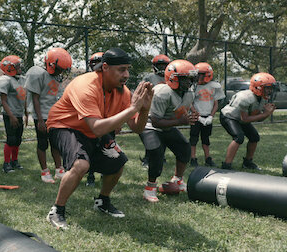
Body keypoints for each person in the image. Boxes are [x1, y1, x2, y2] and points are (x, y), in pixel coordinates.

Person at [45, 48, 153, 230]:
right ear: (105, 67)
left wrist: (144, 110)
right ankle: (57, 210)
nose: (126, 74)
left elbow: (137, 128)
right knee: (81, 165)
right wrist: (134, 109)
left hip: (92, 130)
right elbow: (97, 127)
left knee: (118, 162)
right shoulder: (85, 85)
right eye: (121, 69)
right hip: (64, 126)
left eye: (127, 69)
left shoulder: (123, 91)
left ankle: (102, 201)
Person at [141, 59, 199, 203]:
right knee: (156, 152)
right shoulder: (162, 92)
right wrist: (180, 121)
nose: (189, 82)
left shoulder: (188, 93)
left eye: (191, 78)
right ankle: (150, 188)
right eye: (185, 79)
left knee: (185, 148)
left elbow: (183, 107)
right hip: (149, 126)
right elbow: (155, 121)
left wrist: (193, 113)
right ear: (172, 78)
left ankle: (177, 180)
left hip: (167, 125)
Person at [25, 48, 72, 183]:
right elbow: (35, 98)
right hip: (42, 115)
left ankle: (59, 169)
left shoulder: (55, 76)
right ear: (51, 65)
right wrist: (39, 120)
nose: (61, 72)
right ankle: (45, 171)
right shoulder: (37, 73)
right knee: (42, 143)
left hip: (54, 114)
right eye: (59, 69)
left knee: (56, 143)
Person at [220, 72, 276, 170]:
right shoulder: (245, 97)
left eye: (271, 88)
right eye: (267, 88)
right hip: (229, 116)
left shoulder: (261, 98)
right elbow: (245, 119)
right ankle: (226, 165)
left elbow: (258, 118)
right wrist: (264, 114)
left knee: (254, 137)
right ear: (257, 87)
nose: (270, 91)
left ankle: (248, 162)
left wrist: (267, 114)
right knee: (238, 137)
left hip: (240, 119)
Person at [189, 62, 225, 167]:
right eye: (197, 74)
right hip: (196, 116)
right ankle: (193, 158)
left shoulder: (214, 86)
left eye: (201, 74)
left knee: (206, 138)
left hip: (207, 115)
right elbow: (189, 103)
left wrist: (211, 116)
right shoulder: (192, 87)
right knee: (193, 138)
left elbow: (215, 104)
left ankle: (208, 158)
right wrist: (197, 115)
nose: (199, 77)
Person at [0, 55, 27, 173]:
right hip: (10, 114)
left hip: (19, 113)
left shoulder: (21, 79)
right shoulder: (5, 80)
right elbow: (3, 101)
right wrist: (12, 116)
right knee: (11, 139)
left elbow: (23, 97)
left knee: (18, 139)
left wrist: (26, 113)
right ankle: (6, 164)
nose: (20, 67)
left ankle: (14, 161)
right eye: (17, 66)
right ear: (9, 68)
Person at [85, 52, 104, 187]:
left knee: (107, 146)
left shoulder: (110, 79)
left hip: (107, 118)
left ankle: (106, 172)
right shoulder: (87, 79)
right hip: (92, 118)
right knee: (91, 147)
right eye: (94, 63)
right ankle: (90, 175)